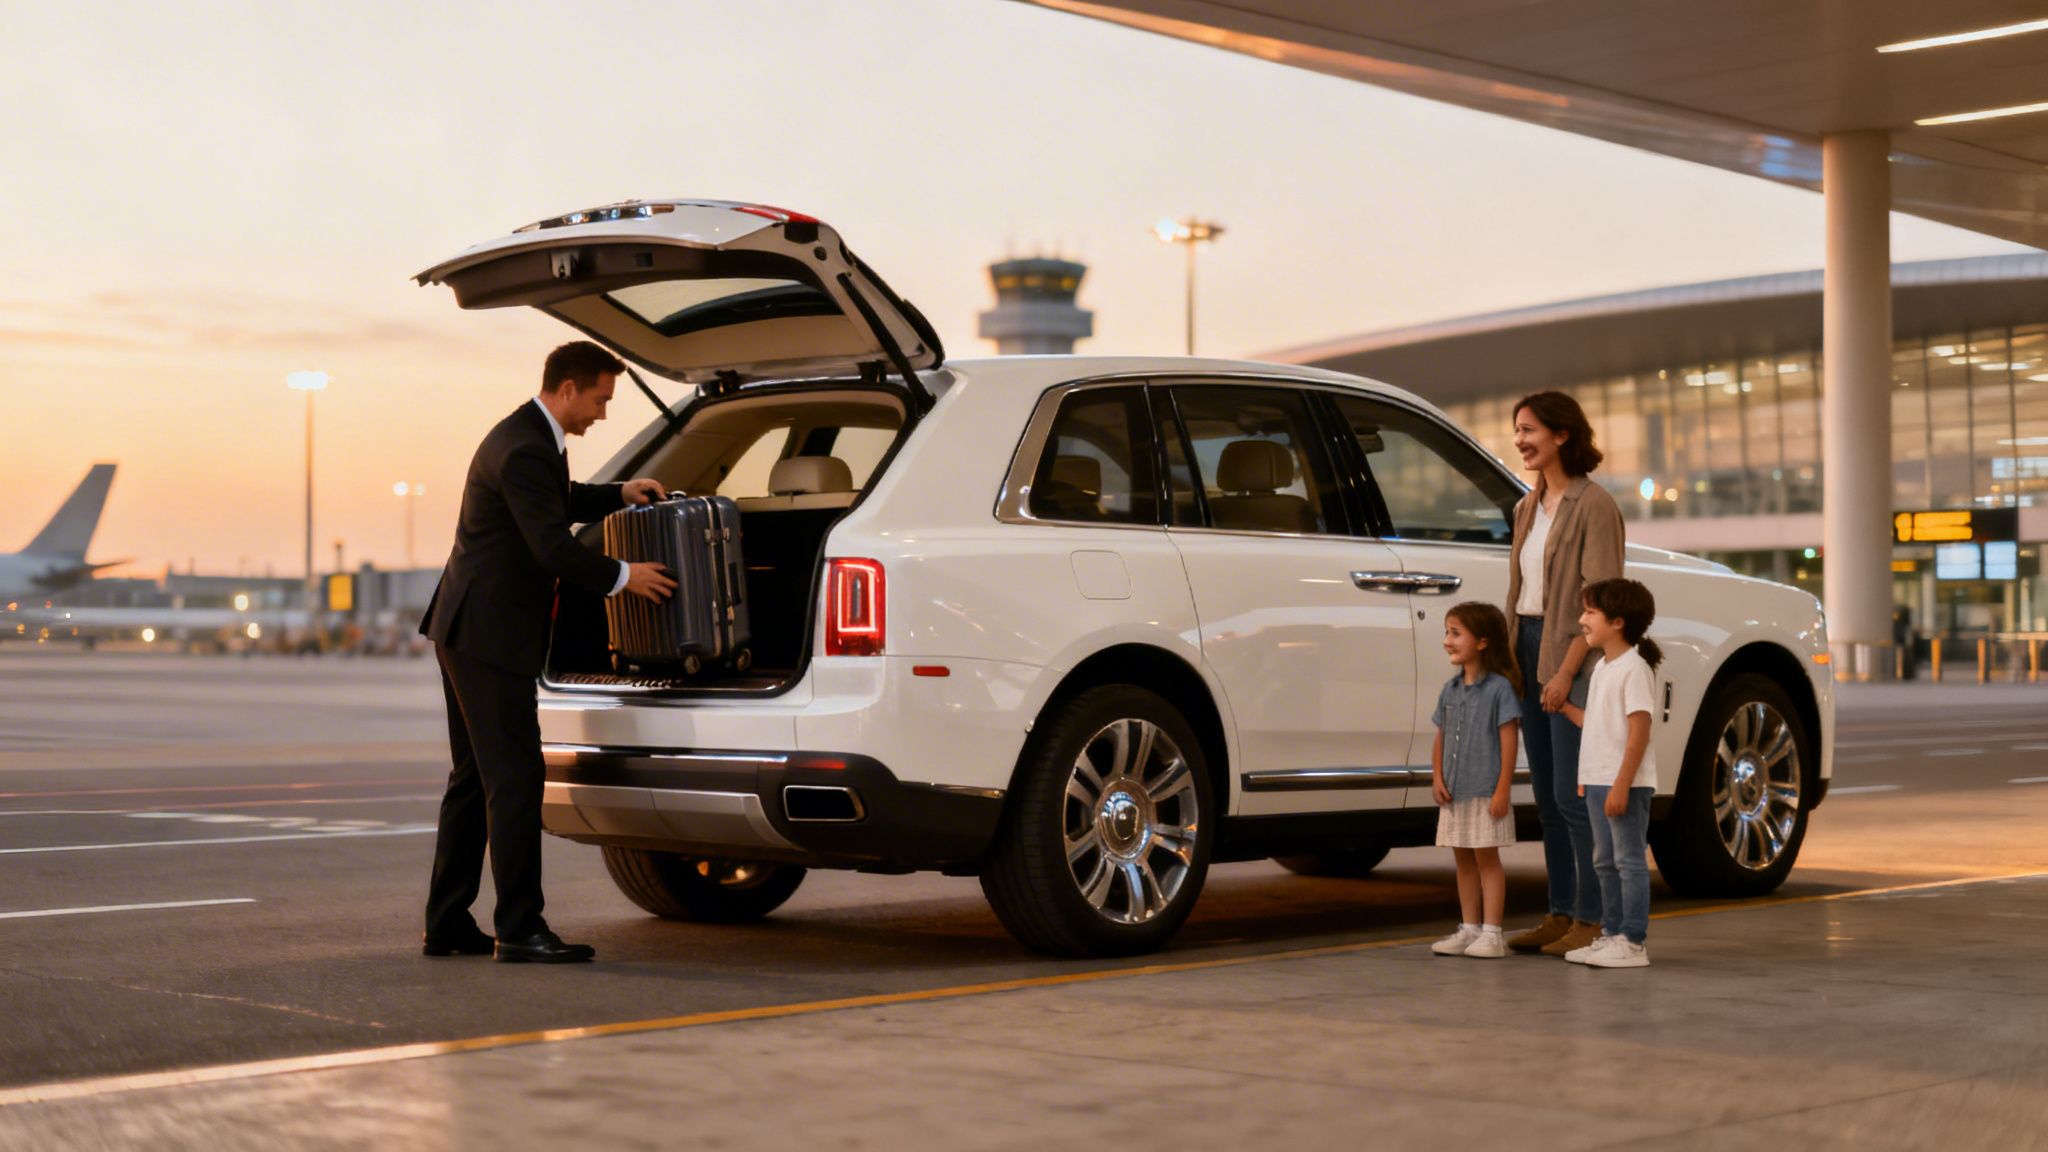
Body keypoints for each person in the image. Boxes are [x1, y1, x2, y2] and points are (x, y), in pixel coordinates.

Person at [419, 341, 678, 964]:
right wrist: (625, 577)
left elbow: (552, 500)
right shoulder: (528, 446)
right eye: (599, 398)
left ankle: (449, 923)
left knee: (474, 779)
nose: (602, 413)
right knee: (514, 779)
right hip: (489, 636)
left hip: (468, 628)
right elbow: (551, 548)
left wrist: (619, 494)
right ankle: (520, 929)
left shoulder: (526, 437)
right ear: (567, 390)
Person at [1502, 391, 1625, 959]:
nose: (1521, 440)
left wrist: (1565, 672)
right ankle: (1559, 912)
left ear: (1562, 435)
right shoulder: (1528, 506)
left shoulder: (1593, 505)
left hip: (1570, 656)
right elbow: (1521, 593)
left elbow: (1596, 602)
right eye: (1518, 431)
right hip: (1527, 646)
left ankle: (1592, 917)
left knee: (1574, 795)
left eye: (1529, 430)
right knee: (1548, 800)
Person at [1557, 578, 1662, 969]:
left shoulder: (1634, 669)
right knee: (1604, 860)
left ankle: (1633, 941)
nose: (1582, 620)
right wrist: (1565, 708)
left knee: (1628, 860)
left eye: (1589, 612)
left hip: (1625, 784)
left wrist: (1621, 784)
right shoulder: (1603, 666)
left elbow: (1639, 730)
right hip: (1600, 781)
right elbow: (1599, 724)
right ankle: (1612, 932)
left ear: (1617, 622)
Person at [1426, 602, 1522, 960]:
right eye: (1447, 632)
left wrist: (1502, 790)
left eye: (1455, 633)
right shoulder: (1450, 690)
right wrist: (1437, 777)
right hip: (1455, 792)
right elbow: (1441, 736)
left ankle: (1493, 933)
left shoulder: (1499, 689)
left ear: (1482, 642)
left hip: (1485, 792)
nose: (1447, 640)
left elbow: (1508, 741)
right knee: (1463, 860)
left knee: (1487, 860)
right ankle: (1470, 928)